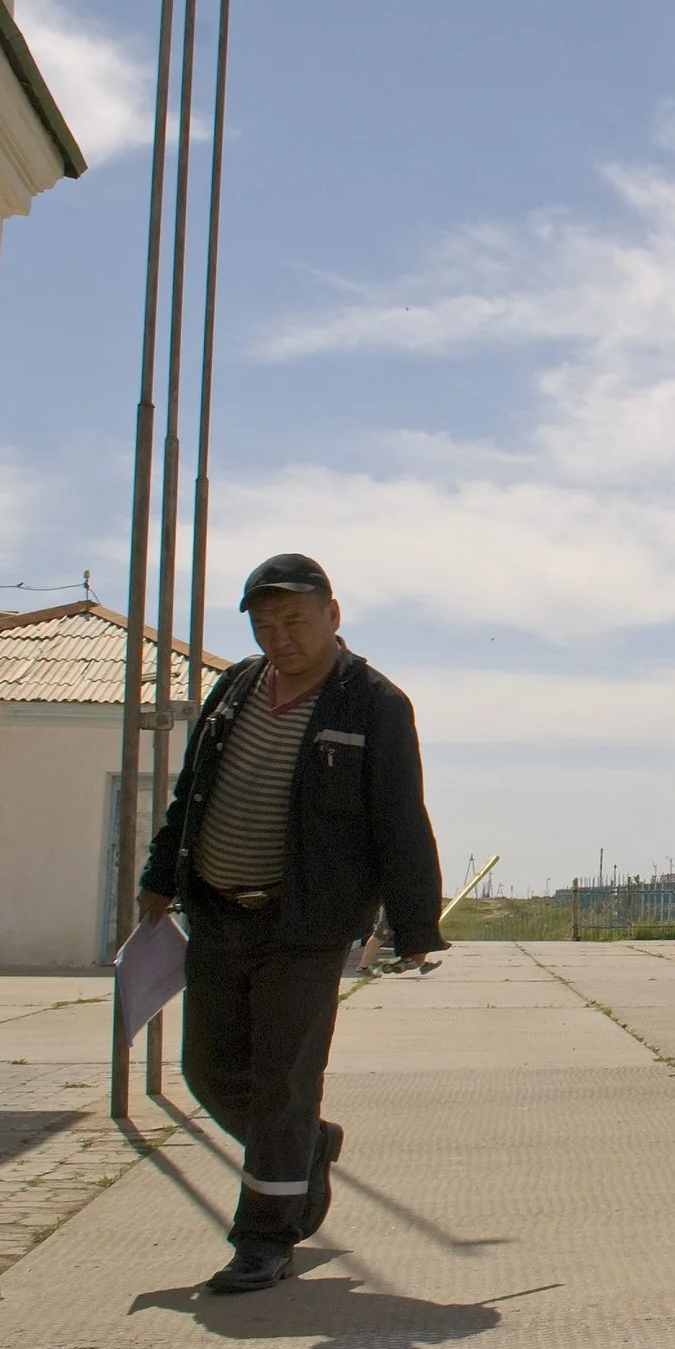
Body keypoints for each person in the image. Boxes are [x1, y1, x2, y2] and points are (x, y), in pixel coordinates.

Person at [136, 553, 446, 1295]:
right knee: (208, 1071)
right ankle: (305, 1149)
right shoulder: (235, 689)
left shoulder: (373, 704)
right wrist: (159, 877)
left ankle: (264, 1238)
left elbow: (400, 821)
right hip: (217, 911)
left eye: (295, 621)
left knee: (282, 1083)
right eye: (265, 624)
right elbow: (191, 792)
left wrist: (414, 927)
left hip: (306, 923)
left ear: (333, 616)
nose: (281, 637)